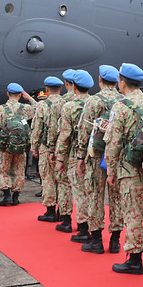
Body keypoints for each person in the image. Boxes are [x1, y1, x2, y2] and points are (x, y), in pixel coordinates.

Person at [106, 63, 143, 274]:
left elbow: (113, 142)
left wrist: (111, 170)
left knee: (133, 214)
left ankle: (135, 259)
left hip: (128, 168)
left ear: (122, 82)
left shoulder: (120, 106)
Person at [76, 65, 124, 254]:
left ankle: (96, 241)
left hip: (96, 155)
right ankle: (115, 241)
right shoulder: (124, 100)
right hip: (117, 155)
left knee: (95, 195)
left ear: (100, 80)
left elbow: (85, 129)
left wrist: (81, 155)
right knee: (117, 197)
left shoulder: (94, 101)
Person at [54, 70, 94, 240]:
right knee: (90, 192)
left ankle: (82, 228)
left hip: (74, 154)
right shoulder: (95, 103)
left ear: (73, 86)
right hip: (92, 154)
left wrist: (59, 158)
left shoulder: (68, 105)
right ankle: (93, 227)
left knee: (77, 191)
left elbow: (64, 135)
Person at [0, 82, 35, 206]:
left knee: (3, 170)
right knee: (19, 170)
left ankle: (7, 196)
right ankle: (16, 197)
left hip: (5, 146)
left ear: (8, 94)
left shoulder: (0, 108)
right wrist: (29, 98)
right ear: (20, 95)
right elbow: (40, 108)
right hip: (21, 145)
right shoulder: (26, 108)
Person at [33, 77, 65, 223]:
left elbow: (37, 127)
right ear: (61, 89)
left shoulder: (43, 105)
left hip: (46, 147)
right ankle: (63, 211)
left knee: (48, 179)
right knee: (62, 181)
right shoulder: (66, 103)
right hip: (63, 148)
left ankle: (50, 212)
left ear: (46, 89)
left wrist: (34, 146)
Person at [49, 70, 78, 231]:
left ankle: (65, 218)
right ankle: (84, 225)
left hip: (67, 151)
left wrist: (54, 151)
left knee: (64, 184)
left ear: (67, 84)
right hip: (84, 152)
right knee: (84, 189)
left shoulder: (61, 102)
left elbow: (56, 130)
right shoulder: (92, 101)